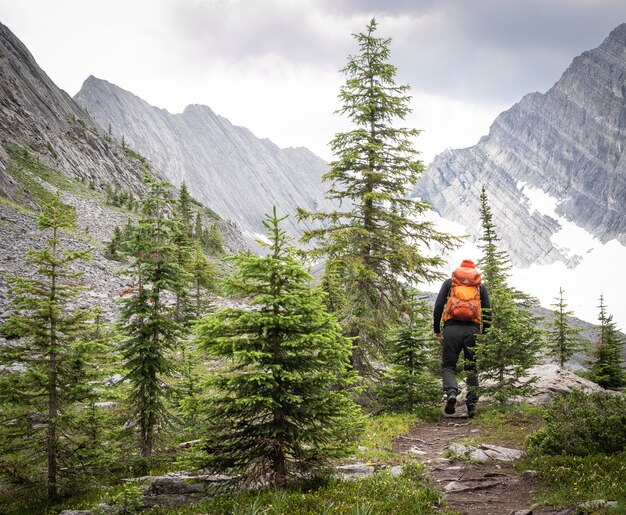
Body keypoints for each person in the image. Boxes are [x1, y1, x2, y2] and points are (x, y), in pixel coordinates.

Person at [433, 259, 490, 418]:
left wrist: (437, 329)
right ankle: (471, 406)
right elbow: (487, 311)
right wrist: (486, 333)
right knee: (471, 367)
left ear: (460, 270)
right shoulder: (479, 287)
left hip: (451, 329)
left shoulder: (450, 284)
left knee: (449, 365)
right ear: (474, 271)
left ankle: (451, 392)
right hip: (472, 330)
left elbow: (438, 306)